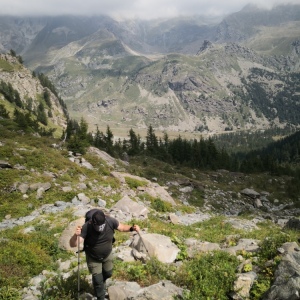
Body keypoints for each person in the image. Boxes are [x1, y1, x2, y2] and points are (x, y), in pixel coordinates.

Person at [69, 209, 140, 300]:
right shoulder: (87, 226)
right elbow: (73, 244)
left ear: (105, 219)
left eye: (101, 226)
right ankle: (100, 295)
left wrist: (131, 228)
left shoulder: (110, 221)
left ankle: (100, 284)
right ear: (92, 222)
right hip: (93, 257)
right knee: (98, 280)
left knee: (108, 273)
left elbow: (122, 227)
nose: (100, 228)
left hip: (107, 254)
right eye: (97, 226)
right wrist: (76, 236)